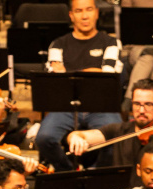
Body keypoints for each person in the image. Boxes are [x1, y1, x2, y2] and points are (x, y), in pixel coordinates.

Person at [35, 0, 123, 173]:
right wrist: (92, 71)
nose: (84, 16)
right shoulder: (58, 44)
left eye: (89, 10)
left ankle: (95, 173)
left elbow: (107, 75)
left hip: (101, 106)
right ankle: (67, 171)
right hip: (66, 106)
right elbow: (55, 80)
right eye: (79, 11)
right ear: (71, 15)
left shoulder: (111, 43)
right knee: (44, 138)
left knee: (118, 137)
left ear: (97, 13)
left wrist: (70, 73)